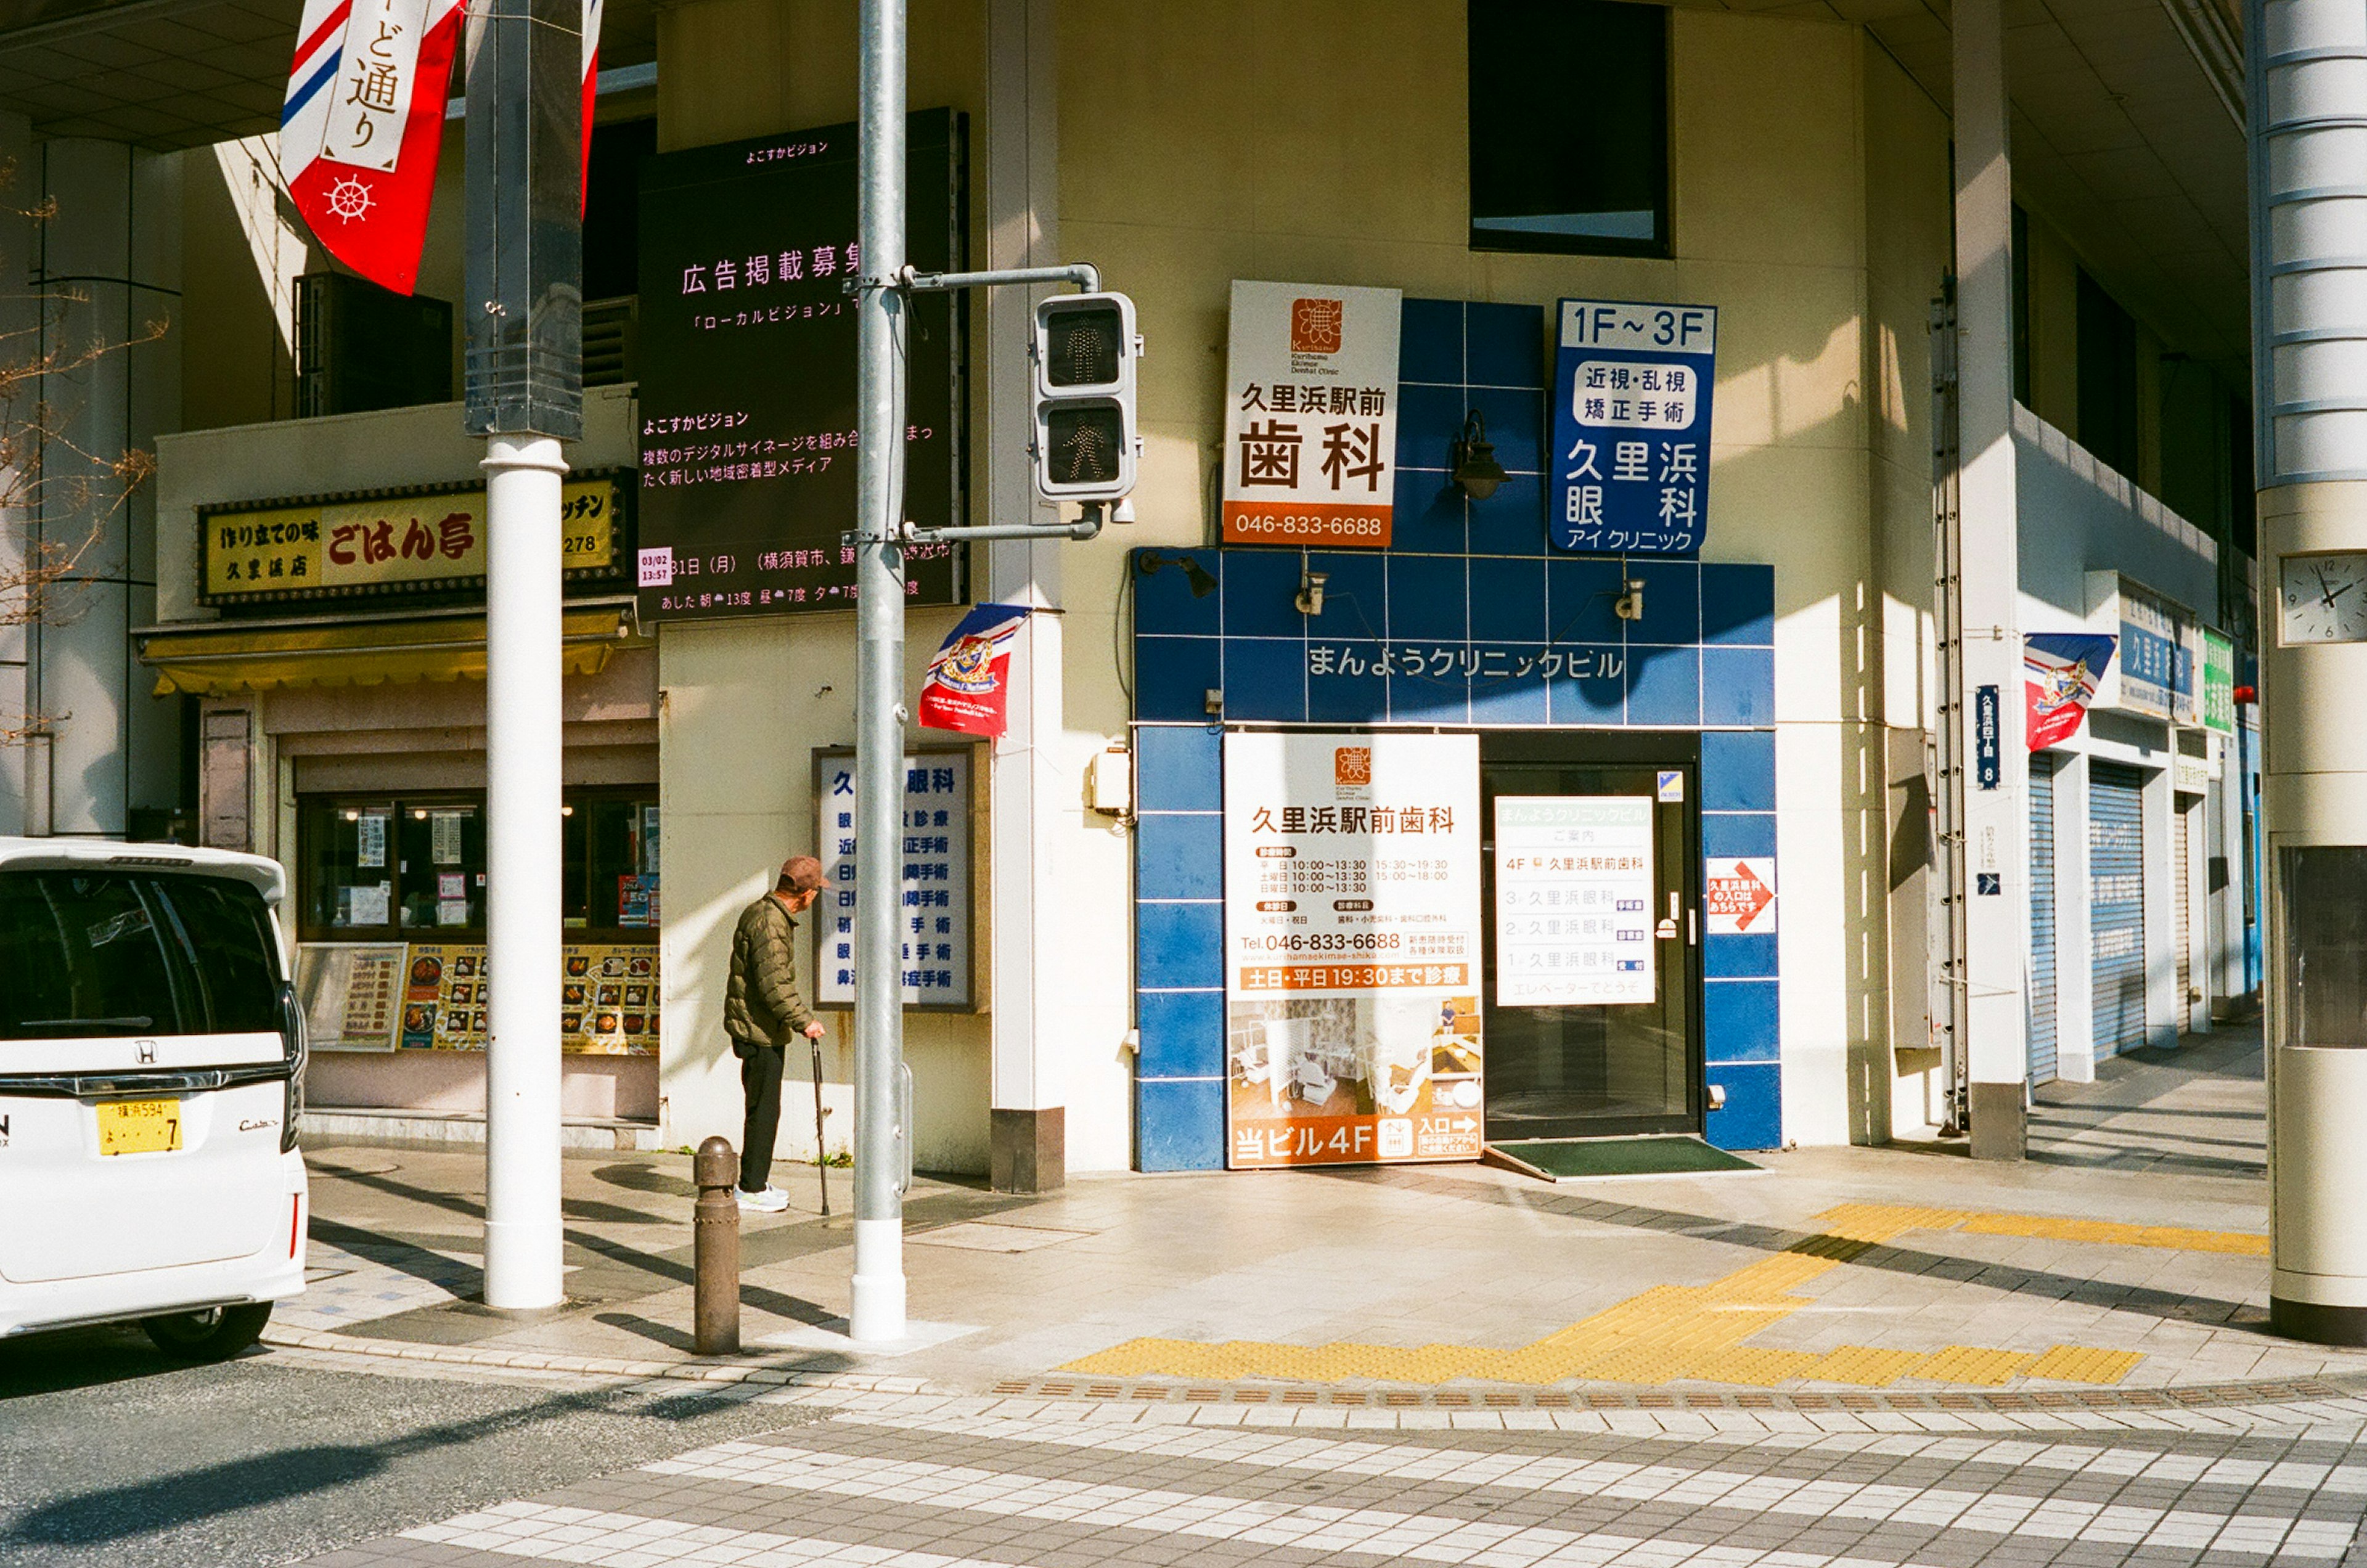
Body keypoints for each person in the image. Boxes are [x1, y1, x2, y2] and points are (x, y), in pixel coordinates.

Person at [724, 854, 831, 1212]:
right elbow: (775, 986)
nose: (815, 897)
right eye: (816, 890)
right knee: (764, 1110)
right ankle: (751, 1188)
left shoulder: (763, 912)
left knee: (762, 1108)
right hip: (760, 1031)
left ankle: (756, 1180)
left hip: (758, 1027)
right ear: (807, 894)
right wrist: (805, 1022)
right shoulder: (771, 924)